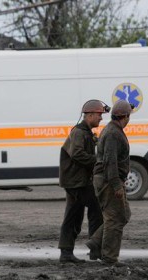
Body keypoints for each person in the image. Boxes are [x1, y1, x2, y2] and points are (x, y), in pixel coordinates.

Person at [58, 100, 109, 263]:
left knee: (73, 215)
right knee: (96, 207)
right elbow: (77, 154)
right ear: (90, 115)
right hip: (76, 181)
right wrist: (98, 161)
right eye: (99, 115)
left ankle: (66, 253)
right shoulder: (79, 133)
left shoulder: (85, 132)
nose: (101, 118)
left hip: (76, 180)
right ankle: (95, 248)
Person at [87, 100, 133, 265]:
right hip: (108, 180)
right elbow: (110, 161)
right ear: (125, 116)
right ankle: (109, 258)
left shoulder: (114, 130)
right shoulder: (113, 133)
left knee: (124, 214)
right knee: (115, 218)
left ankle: (96, 241)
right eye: (129, 116)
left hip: (108, 179)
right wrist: (115, 184)